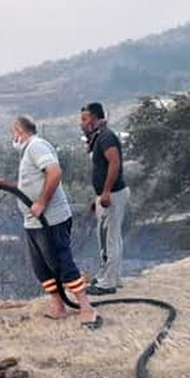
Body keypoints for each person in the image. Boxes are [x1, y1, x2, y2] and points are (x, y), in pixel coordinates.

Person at [0, 115, 101, 329]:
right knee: (41, 267)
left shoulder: (36, 146)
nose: (12, 137)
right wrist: (4, 184)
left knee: (62, 263)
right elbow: (27, 186)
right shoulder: (27, 152)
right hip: (33, 222)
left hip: (51, 220)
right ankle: (58, 307)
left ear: (19, 131)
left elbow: (54, 172)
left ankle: (87, 308)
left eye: (13, 133)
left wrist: (41, 203)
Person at [80, 102, 129, 295]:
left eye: (85, 119)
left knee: (111, 239)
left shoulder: (106, 137)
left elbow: (114, 164)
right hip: (106, 194)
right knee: (107, 237)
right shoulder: (99, 138)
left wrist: (107, 192)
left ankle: (108, 283)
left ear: (95, 118)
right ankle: (110, 277)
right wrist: (98, 196)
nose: (82, 123)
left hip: (114, 194)